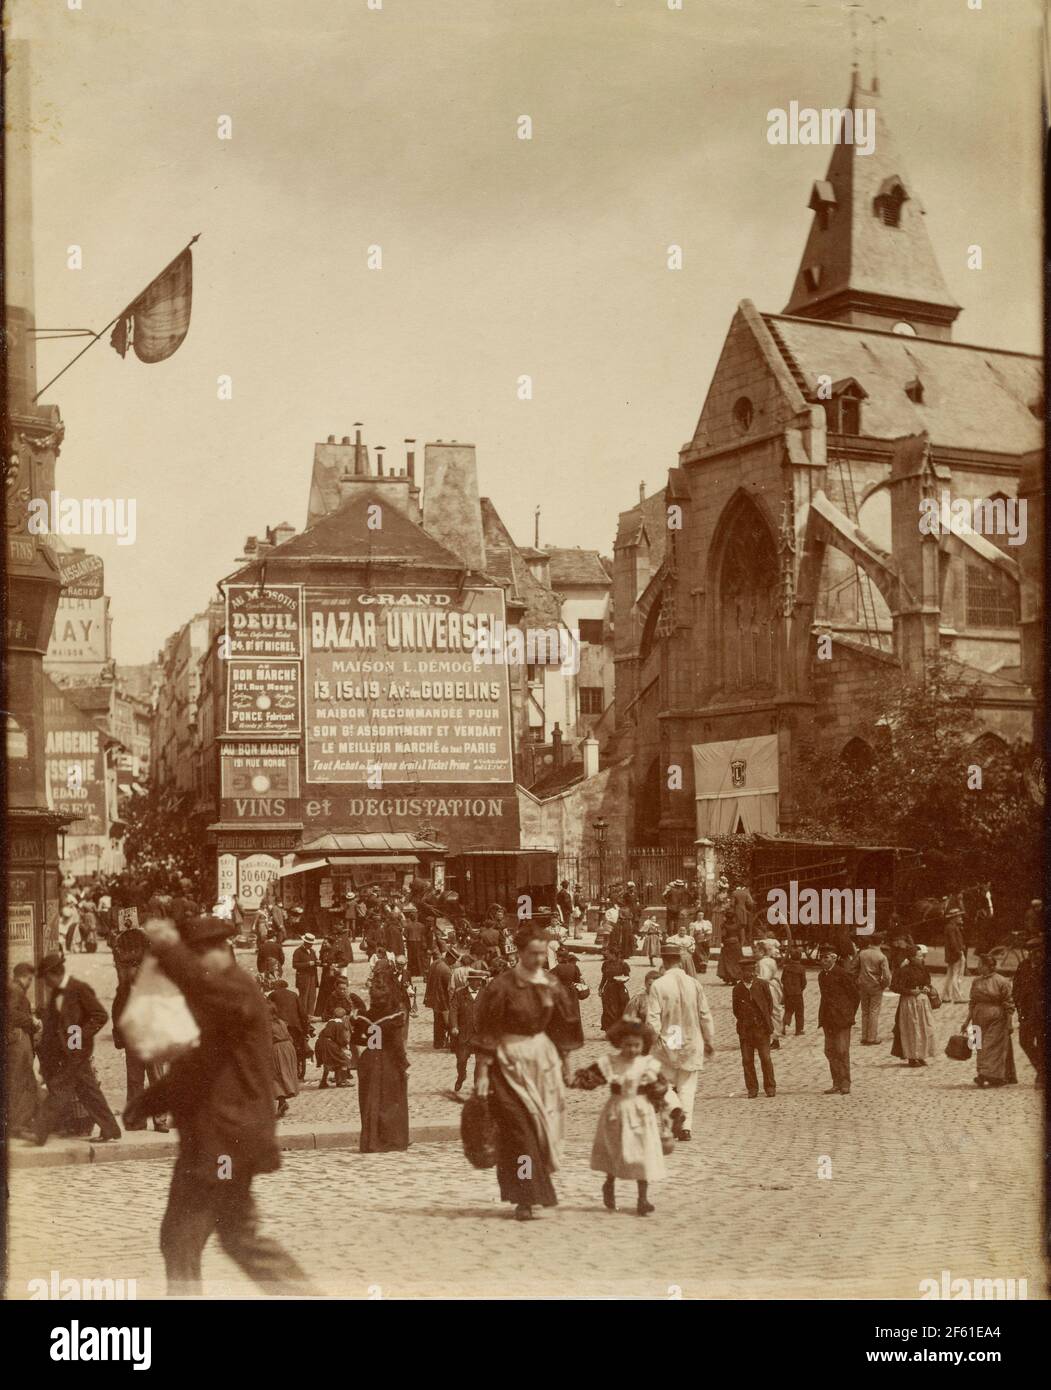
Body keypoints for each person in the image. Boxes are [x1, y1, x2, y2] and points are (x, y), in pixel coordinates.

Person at [129, 914, 316, 1297]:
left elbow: (200, 987)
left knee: (193, 1237)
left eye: (198, 957)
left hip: (226, 1143)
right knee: (216, 1237)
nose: (195, 969)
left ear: (220, 952)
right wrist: (147, 1103)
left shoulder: (237, 990)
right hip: (215, 1140)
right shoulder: (218, 1002)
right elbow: (196, 1068)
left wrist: (170, 949)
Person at [473, 925, 580, 1219]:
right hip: (508, 1063)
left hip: (542, 1063)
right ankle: (526, 1196)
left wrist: (566, 1066)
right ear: (519, 953)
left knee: (542, 1129)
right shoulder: (502, 986)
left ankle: (529, 1190)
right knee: (519, 1130)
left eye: (542, 954)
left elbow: (563, 1026)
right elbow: (487, 1029)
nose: (538, 959)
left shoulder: (552, 984)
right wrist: (482, 1073)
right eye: (532, 953)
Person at [34, 952, 121, 1145]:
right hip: (64, 1053)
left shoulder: (78, 989)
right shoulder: (57, 994)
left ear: (54, 974)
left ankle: (38, 1134)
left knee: (59, 1089)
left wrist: (78, 1035)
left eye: (46, 978)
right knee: (88, 1092)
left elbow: (100, 1015)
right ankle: (110, 1129)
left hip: (76, 1052)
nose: (45, 983)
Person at [584, 1019, 668, 1216]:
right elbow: (590, 1078)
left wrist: (661, 1096)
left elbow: (662, 1088)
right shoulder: (611, 1063)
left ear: (643, 1045)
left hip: (641, 1111)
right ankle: (609, 1184)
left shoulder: (649, 1065)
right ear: (619, 1043)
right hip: (617, 1110)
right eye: (628, 1045)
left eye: (636, 1045)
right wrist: (576, 1079)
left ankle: (643, 1198)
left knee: (643, 1153)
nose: (632, 1049)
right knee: (616, 1150)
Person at [646, 945, 716, 1141]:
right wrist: (709, 1039)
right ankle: (685, 1128)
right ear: (680, 960)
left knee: (662, 1083)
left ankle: (670, 1122)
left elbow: (653, 1019)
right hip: (692, 1038)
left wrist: (653, 1042)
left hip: (670, 1037)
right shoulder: (694, 983)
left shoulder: (658, 985)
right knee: (687, 1086)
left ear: (664, 960)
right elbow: (705, 1015)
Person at [354, 967, 410, 1152]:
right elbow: (396, 1044)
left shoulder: (366, 1016)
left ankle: (371, 1140)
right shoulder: (393, 1016)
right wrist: (404, 1065)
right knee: (391, 1102)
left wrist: (372, 1042)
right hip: (388, 1061)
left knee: (370, 1101)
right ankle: (390, 1140)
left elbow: (356, 1040)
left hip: (369, 1058)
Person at [112, 959, 169, 1133]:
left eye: (134, 968)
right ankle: (136, 1120)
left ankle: (160, 1120)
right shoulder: (123, 990)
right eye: (128, 969)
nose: (130, 972)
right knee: (134, 1080)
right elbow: (116, 1012)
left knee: (156, 1079)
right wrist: (120, 1034)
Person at [966, 953, 1017, 1088]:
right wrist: (966, 1021)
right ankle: (985, 1074)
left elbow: (1009, 1003)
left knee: (991, 1047)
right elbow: (972, 1001)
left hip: (996, 1018)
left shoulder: (1002, 981)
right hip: (977, 1018)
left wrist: (1009, 1022)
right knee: (979, 1045)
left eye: (980, 965)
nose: (978, 967)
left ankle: (988, 1075)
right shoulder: (976, 981)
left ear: (989, 966)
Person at [817, 945, 860, 1095]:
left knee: (842, 1051)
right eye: (821, 957)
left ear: (834, 958)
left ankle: (845, 1083)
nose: (822, 960)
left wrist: (848, 1014)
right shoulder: (822, 976)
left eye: (826, 957)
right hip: (828, 1019)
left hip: (842, 1019)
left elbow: (855, 995)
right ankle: (836, 1082)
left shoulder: (842, 974)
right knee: (830, 1051)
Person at [732, 957, 776, 1098]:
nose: (750, 974)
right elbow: (736, 1010)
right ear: (741, 972)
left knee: (765, 1058)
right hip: (746, 1030)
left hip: (761, 1029)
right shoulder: (738, 989)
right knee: (747, 1060)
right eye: (746, 971)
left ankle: (770, 1087)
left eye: (752, 971)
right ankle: (752, 1088)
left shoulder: (762, 985)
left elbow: (769, 1005)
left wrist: (763, 1021)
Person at [8, 962, 41, 1139]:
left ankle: (20, 1122)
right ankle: (18, 1125)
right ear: (25, 976)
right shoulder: (15, 990)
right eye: (30, 979)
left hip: (18, 1041)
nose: (30, 982)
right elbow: (11, 1014)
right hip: (18, 1041)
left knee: (21, 1082)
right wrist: (32, 1021)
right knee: (22, 1083)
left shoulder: (13, 989)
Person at [890, 946, 937, 1068]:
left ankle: (921, 1055)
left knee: (925, 1028)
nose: (922, 958)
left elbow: (927, 981)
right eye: (919, 956)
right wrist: (910, 991)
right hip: (909, 1003)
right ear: (911, 957)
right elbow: (894, 986)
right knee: (912, 1029)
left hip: (922, 1003)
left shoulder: (923, 969)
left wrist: (926, 987)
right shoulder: (903, 971)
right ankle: (912, 1057)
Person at [449, 967, 488, 1092]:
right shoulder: (460, 994)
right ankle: (461, 1076)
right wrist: (454, 1026)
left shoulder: (485, 994)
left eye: (480, 981)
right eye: (476, 981)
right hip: (464, 1033)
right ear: (470, 981)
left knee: (480, 1062)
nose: (479, 983)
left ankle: (477, 1085)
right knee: (461, 1060)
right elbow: (453, 1010)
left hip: (480, 1034)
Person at [1012, 937, 1044, 1085]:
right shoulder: (1024, 966)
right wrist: (1018, 1002)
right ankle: (1042, 1069)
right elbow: (1016, 985)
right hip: (1027, 1011)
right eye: (1030, 951)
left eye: (1036, 951)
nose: (1033, 955)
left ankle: (1042, 1074)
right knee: (1024, 1041)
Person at [269, 978, 311, 1080]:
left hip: (281, 1026)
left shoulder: (272, 995)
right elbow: (302, 1013)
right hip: (295, 1027)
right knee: (297, 1047)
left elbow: (268, 1010)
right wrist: (305, 1030)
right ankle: (297, 1070)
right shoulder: (294, 995)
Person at [857, 935, 892, 1044]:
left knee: (865, 1011)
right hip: (876, 986)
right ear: (881, 942)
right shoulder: (881, 956)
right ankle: (872, 1037)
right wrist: (883, 985)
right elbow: (887, 976)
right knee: (874, 1011)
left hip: (863, 985)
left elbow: (853, 969)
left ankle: (864, 1036)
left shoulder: (862, 953)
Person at [550, 946, 587, 1050]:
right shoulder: (574, 967)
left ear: (561, 958)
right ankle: (576, 1036)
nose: (557, 959)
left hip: (561, 992)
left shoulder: (557, 968)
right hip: (572, 992)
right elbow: (577, 980)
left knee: (561, 1013)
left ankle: (563, 1037)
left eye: (558, 957)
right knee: (574, 1012)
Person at [269, 1000, 299, 1119]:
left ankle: (282, 1101)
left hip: (276, 1048)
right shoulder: (281, 1022)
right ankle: (282, 1103)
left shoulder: (267, 1025)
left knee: (275, 1075)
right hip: (288, 1047)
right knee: (285, 1073)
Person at [314, 1007, 355, 1088]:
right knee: (344, 1060)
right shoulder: (340, 1024)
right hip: (329, 1044)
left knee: (328, 1062)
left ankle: (323, 1082)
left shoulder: (330, 1022)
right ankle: (342, 1081)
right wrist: (346, 1045)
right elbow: (340, 1039)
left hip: (320, 1042)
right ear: (344, 1017)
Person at [424, 946, 455, 1049]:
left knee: (437, 1021)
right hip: (442, 999)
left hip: (433, 997)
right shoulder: (446, 970)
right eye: (453, 960)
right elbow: (449, 988)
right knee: (446, 1021)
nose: (453, 963)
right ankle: (444, 1042)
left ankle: (438, 1042)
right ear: (450, 958)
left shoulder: (435, 963)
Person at [754, 940, 784, 1048]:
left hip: (767, 988)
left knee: (767, 1012)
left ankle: (771, 1038)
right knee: (774, 1012)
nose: (754, 953)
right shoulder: (771, 960)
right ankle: (775, 1037)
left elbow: (764, 978)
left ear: (762, 952)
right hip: (773, 987)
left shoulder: (763, 963)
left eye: (756, 951)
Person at [941, 908, 967, 1004]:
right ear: (953, 918)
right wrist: (959, 952)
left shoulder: (950, 927)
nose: (960, 918)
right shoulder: (952, 928)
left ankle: (945, 996)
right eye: (958, 916)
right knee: (956, 976)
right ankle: (957, 997)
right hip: (956, 955)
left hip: (951, 955)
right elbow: (953, 942)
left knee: (950, 976)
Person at [292, 934, 320, 1020]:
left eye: (311, 943)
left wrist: (317, 962)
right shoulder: (298, 951)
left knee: (312, 996)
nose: (311, 945)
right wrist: (308, 964)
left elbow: (314, 961)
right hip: (303, 977)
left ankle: (310, 1015)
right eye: (309, 943)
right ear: (305, 942)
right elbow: (295, 964)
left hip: (312, 976)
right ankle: (303, 1016)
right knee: (304, 997)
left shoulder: (312, 951)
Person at [781, 948, 807, 1036]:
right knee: (799, 1012)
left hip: (788, 993)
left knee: (788, 1010)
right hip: (797, 993)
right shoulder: (801, 968)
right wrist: (800, 989)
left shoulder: (786, 968)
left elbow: (782, 979)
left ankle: (783, 1026)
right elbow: (804, 982)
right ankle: (798, 1030)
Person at [599, 958, 631, 1031]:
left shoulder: (623, 964)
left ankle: (620, 1029)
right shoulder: (606, 964)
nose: (606, 954)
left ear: (614, 954)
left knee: (621, 1008)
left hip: (619, 989)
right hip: (609, 989)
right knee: (608, 1009)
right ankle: (609, 1030)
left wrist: (622, 980)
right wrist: (600, 987)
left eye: (609, 952)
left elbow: (627, 976)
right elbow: (604, 977)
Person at [732, 883, 756, 949]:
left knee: (737, 926)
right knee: (742, 927)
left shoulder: (734, 893)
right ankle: (743, 942)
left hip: (737, 910)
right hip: (743, 911)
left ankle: (738, 943)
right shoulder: (745, 893)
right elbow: (750, 902)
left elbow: (732, 903)